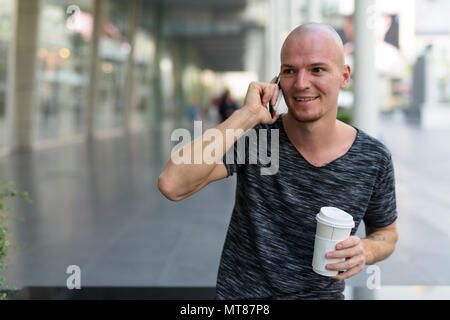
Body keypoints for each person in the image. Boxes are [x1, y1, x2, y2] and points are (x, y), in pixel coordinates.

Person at [158, 23, 398, 300]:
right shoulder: (258, 141)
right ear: (277, 80)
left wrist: (366, 250)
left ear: (344, 76)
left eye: (317, 69)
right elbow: (172, 184)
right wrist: (246, 115)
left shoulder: (373, 157)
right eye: (289, 71)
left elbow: (386, 233)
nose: (301, 83)